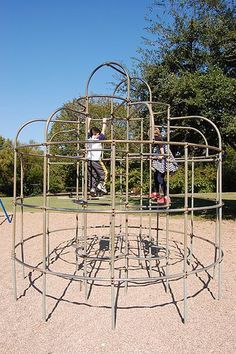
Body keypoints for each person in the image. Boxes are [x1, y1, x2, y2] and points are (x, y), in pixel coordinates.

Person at [150, 127, 178, 204]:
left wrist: (161, 156)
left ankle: (166, 196)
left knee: (160, 179)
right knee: (156, 177)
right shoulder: (157, 140)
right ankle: (156, 193)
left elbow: (163, 152)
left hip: (163, 164)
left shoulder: (158, 140)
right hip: (160, 164)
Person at [87, 117, 108, 197]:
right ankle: (101, 185)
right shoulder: (99, 139)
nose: (94, 135)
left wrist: (88, 121)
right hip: (95, 160)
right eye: (94, 134)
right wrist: (104, 122)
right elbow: (103, 131)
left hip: (89, 161)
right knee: (104, 173)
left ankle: (92, 188)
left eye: (95, 134)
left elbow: (88, 131)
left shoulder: (89, 139)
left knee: (93, 175)